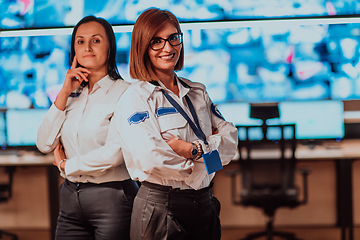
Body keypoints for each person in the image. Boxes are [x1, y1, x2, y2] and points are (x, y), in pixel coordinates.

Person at [115, 8, 238, 240]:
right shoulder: (136, 98)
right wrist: (209, 157)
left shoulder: (197, 91)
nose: (168, 48)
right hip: (162, 206)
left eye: (173, 38)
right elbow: (152, 159)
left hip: (204, 203)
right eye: (157, 41)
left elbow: (231, 140)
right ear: (142, 46)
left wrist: (191, 150)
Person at [36, 16, 138, 240]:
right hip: (71, 196)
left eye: (96, 40)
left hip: (112, 197)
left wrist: (65, 165)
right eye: (80, 42)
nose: (88, 47)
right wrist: (63, 93)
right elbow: (44, 143)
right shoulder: (71, 95)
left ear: (110, 46)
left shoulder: (127, 93)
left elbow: (114, 154)